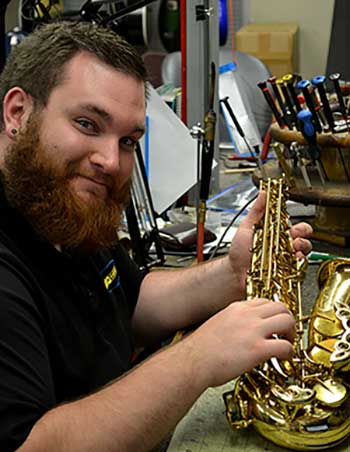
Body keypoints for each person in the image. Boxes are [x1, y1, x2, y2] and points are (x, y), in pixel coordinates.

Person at [0, 21, 312, 452]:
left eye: (128, 140)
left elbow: (132, 301)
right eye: (88, 124)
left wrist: (233, 273)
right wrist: (198, 358)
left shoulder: (59, 204)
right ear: (17, 113)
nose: (111, 161)